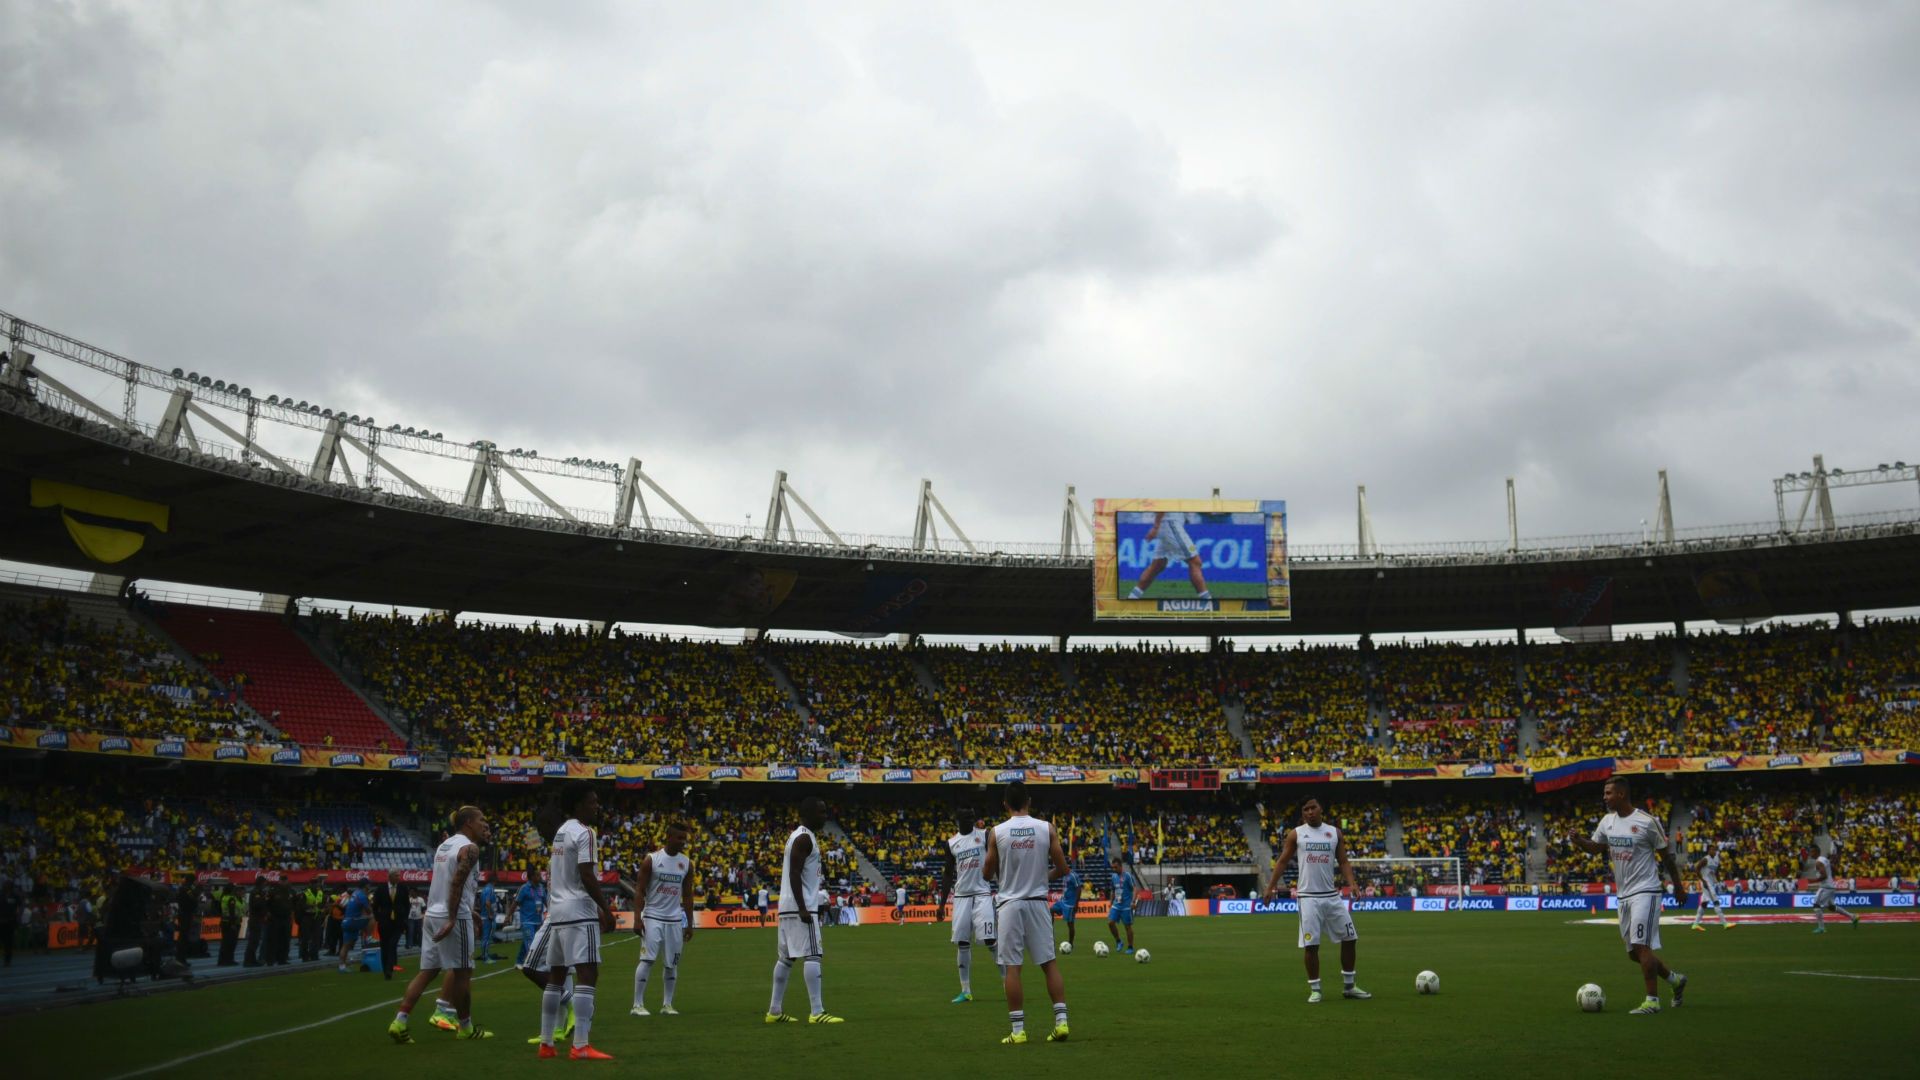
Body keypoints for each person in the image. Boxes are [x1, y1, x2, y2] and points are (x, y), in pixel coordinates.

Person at [1567, 777, 1689, 1015]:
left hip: (1646, 890)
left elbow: (1666, 857)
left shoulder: (1647, 822)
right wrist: (1579, 841)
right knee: (1634, 953)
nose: (1604, 797)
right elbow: (1596, 848)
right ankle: (1675, 980)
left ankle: (1652, 1001)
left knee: (1642, 946)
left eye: (1608, 793)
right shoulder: (1607, 821)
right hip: (1623, 895)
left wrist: (1678, 886)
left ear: (1621, 794)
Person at [387, 806, 495, 1044]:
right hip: (452, 917)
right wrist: (455, 917)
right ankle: (465, 1027)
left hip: (432, 913)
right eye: (481, 820)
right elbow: (456, 883)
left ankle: (400, 1021)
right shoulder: (470, 848)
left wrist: (468, 910)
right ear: (468, 822)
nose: (484, 824)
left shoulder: (444, 846)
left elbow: (447, 882)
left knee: (428, 971)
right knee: (463, 972)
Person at [981, 780, 1070, 1045]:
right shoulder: (1047, 828)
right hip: (1037, 902)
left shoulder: (996, 832)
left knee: (1012, 968)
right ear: (1029, 801)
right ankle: (1061, 1023)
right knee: (1049, 963)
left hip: (1010, 904)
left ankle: (1018, 1030)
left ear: (1005, 804)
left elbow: (986, 873)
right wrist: (1042, 877)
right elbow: (1063, 868)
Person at [1264, 798, 1371, 1004]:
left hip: (1332, 895)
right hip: (1308, 897)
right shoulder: (1296, 834)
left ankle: (1349, 987)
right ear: (1302, 813)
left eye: (1313, 808)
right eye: (1306, 809)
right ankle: (1315, 989)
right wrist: (1270, 887)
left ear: (1321, 809)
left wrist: (1353, 884)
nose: (1310, 812)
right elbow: (1283, 861)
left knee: (1350, 938)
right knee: (1311, 945)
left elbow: (1343, 861)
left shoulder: (1334, 833)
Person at [536, 786, 617, 1060]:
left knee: (556, 977)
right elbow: (586, 874)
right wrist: (605, 908)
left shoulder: (561, 832)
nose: (597, 806)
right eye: (593, 802)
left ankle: (546, 1043)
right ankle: (580, 1046)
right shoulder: (585, 832)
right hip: (580, 911)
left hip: (557, 912)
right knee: (588, 973)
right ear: (579, 805)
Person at [765, 797, 843, 1025]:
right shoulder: (804, 838)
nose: (825, 816)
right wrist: (802, 907)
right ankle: (817, 1012)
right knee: (813, 955)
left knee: (786, 958)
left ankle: (774, 1011)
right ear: (808, 814)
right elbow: (794, 873)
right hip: (801, 906)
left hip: (787, 906)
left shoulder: (798, 836)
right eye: (821, 812)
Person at [631, 822, 694, 1017]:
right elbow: (640, 890)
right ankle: (637, 1004)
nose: (683, 842)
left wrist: (689, 923)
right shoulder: (652, 860)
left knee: (671, 964)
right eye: (679, 838)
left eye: (685, 839)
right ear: (669, 837)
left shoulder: (687, 863)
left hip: (675, 920)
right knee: (647, 960)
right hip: (652, 916)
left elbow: (688, 895)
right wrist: (637, 918)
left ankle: (667, 1004)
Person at [941, 807, 999, 1004]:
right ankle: (965, 991)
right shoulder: (951, 843)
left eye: (972, 817)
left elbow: (997, 860)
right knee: (962, 943)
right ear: (958, 821)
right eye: (967, 818)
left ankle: (1008, 982)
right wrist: (941, 905)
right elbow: (948, 874)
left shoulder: (984, 835)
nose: (971, 820)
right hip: (961, 897)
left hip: (982, 894)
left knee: (990, 940)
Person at [1126, 511, 1212, 601]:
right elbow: (1162, 506)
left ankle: (1132, 597)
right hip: (1171, 523)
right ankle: (1207, 601)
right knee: (1195, 562)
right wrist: (1156, 527)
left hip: (1170, 524)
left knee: (1157, 565)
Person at [1807, 848, 1860, 933]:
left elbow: (1824, 876)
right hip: (1831, 886)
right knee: (1831, 907)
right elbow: (1833, 868)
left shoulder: (1818, 862)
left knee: (1816, 905)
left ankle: (1821, 928)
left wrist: (1813, 881)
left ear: (1816, 852)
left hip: (1825, 887)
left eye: (1811, 852)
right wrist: (1833, 876)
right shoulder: (1824, 859)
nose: (1810, 854)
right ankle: (1853, 916)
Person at [1106, 859, 1141, 955]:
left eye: (1116, 867)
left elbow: (1134, 889)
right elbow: (1113, 890)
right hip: (1116, 904)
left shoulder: (1128, 876)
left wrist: (1133, 901)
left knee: (1127, 926)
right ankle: (1119, 941)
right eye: (1113, 867)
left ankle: (1130, 947)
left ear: (1121, 866)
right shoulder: (1113, 876)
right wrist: (1111, 902)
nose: (1114, 869)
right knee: (1110, 923)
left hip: (1126, 906)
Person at [1690, 850, 1731, 931]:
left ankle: (1695, 924)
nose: (1714, 851)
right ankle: (1725, 923)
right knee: (1716, 901)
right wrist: (1703, 880)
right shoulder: (1706, 859)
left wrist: (1719, 882)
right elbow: (1697, 868)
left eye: (1714, 850)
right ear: (1709, 851)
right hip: (1706, 883)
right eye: (1712, 849)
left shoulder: (1716, 860)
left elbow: (1716, 872)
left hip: (1711, 883)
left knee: (1704, 904)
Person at [515, 872, 546, 966]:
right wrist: (508, 916)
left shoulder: (541, 888)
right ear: (532, 877)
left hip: (538, 921)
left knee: (530, 941)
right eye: (538, 875)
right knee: (531, 943)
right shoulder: (524, 888)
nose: (540, 877)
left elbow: (546, 901)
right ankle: (532, 964)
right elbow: (516, 902)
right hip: (527, 921)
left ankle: (519, 961)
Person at [372, 879, 401, 979]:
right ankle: (387, 969)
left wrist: (404, 919)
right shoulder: (381, 889)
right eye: (396, 875)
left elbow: (406, 905)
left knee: (392, 944)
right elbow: (375, 906)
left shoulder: (401, 889)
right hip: (384, 922)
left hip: (397, 922)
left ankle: (390, 966)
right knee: (385, 946)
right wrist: (378, 918)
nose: (398, 877)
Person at [1050, 863, 1083, 948]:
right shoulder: (1064, 875)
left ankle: (1071, 943)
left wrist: (1076, 903)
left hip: (1070, 904)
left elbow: (1079, 888)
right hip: (1063, 901)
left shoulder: (1073, 875)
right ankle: (1050, 933)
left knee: (1070, 924)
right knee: (1051, 910)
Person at [338, 885, 370, 973]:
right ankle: (369, 937)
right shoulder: (362, 896)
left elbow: (344, 905)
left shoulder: (354, 894)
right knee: (371, 917)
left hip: (346, 921)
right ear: (365, 888)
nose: (368, 891)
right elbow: (368, 911)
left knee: (346, 945)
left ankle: (342, 966)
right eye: (368, 889)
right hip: (353, 921)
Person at [300, 876, 329, 961]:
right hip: (306, 917)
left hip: (316, 917)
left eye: (316, 883)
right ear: (310, 884)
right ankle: (304, 956)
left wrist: (323, 908)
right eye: (314, 883)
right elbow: (301, 906)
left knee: (316, 937)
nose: (316, 885)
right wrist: (310, 906)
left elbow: (322, 904)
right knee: (305, 938)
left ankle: (314, 955)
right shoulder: (305, 893)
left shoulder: (320, 893)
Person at [216, 885, 241, 967]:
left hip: (224, 921)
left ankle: (221, 960)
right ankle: (229, 960)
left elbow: (220, 909)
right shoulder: (231, 898)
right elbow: (232, 911)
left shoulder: (223, 897)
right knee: (231, 943)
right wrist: (233, 924)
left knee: (224, 942)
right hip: (230, 923)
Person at [243, 883, 268, 967]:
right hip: (255, 920)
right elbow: (257, 905)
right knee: (253, 941)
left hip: (257, 919)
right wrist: (264, 899)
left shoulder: (258, 892)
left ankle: (252, 960)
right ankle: (248, 960)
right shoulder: (256, 893)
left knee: (255, 941)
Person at [478, 875, 499, 962]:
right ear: (494, 881)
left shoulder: (484, 889)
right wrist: (490, 914)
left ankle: (484, 954)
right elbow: (487, 902)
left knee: (485, 937)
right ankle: (485, 957)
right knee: (486, 938)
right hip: (487, 918)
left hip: (484, 916)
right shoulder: (490, 889)